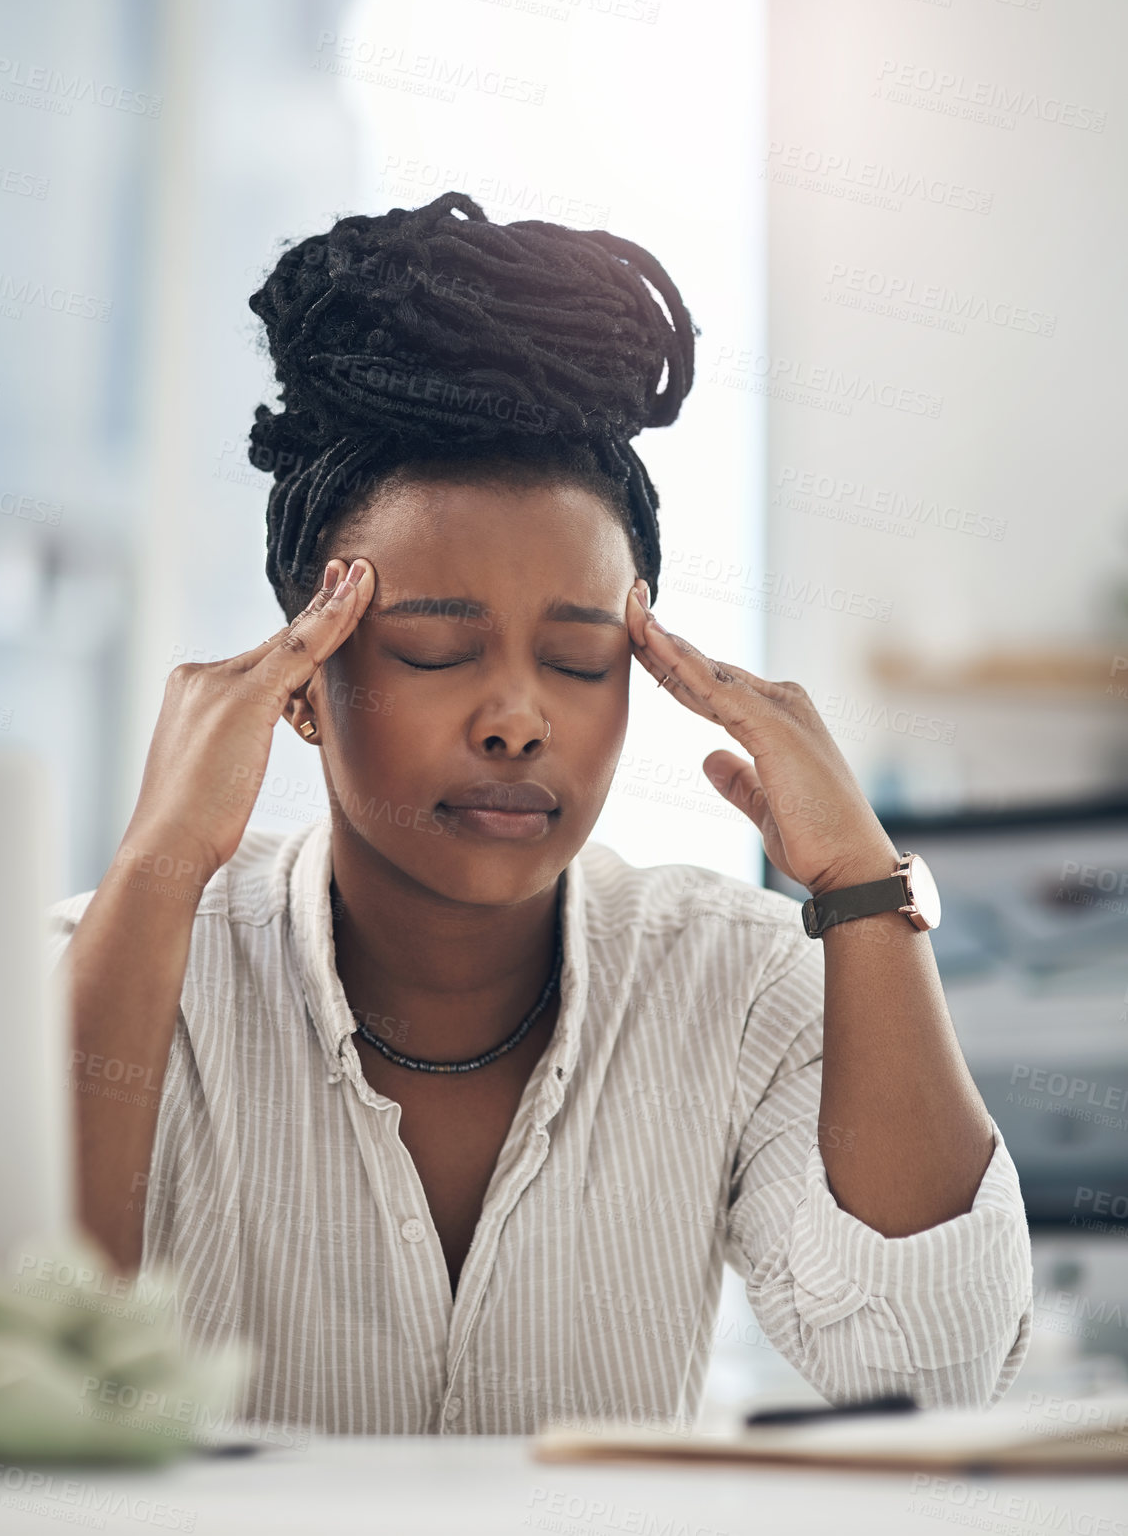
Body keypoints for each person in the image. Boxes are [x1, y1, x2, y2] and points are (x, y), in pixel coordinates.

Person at [51, 191, 1034, 1438]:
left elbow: (929, 1370)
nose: (519, 718)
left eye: (579, 663)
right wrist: (156, 873)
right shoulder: (112, 970)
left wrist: (864, 887)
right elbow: (12, 1346)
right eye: (433, 649)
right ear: (302, 685)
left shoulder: (740, 986)